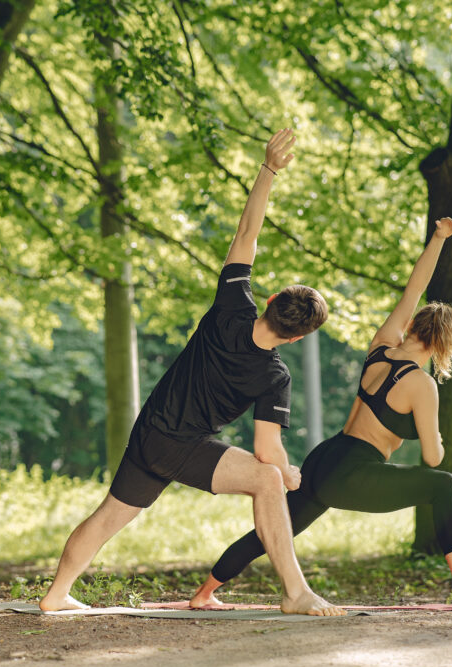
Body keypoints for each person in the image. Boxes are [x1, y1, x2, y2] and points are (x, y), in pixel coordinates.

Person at [38, 129, 344, 616]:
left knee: (108, 517)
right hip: (181, 446)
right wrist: (286, 473)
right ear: (296, 338)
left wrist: (268, 169)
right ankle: (295, 593)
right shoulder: (274, 375)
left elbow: (247, 233)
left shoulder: (231, 304)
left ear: (269, 302)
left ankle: (55, 596)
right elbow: (267, 451)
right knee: (266, 480)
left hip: (150, 430)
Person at [189, 217, 452, 610]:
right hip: (356, 471)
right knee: (443, 483)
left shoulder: (383, 346)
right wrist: (439, 436)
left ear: (413, 326)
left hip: (327, 457)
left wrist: (439, 238)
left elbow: (414, 288)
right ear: (445, 346)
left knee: (276, 529)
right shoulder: (422, 385)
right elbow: (432, 458)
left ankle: (205, 592)